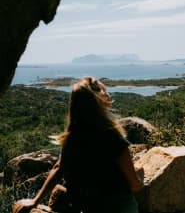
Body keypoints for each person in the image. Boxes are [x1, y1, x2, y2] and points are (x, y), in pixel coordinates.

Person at [13, 77, 144, 213]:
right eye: (104, 90)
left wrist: (35, 200)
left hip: (85, 207)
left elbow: (59, 168)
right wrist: (141, 177)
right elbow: (135, 186)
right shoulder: (112, 137)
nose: (108, 92)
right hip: (118, 207)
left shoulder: (73, 136)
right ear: (98, 98)